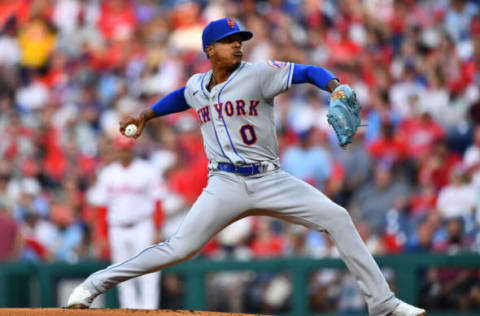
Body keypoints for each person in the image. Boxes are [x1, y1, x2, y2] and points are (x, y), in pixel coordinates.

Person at [67, 18, 425, 316]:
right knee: (179, 248)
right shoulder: (197, 86)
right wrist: (146, 114)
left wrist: (334, 87)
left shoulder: (258, 74)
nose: (238, 45)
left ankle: (383, 304)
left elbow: (308, 71)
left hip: (271, 179)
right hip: (224, 183)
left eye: (240, 40)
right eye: (228, 41)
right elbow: (180, 96)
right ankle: (94, 285)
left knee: (337, 217)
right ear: (210, 50)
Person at [85, 135, 164, 309]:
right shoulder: (108, 173)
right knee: (120, 272)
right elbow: (101, 208)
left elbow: (157, 201)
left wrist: (157, 228)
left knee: (148, 269)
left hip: (142, 225)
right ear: (116, 150)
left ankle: (149, 309)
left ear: (132, 149)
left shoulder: (147, 170)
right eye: (121, 149)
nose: (124, 152)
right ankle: (129, 310)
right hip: (117, 228)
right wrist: (102, 234)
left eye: (127, 149)